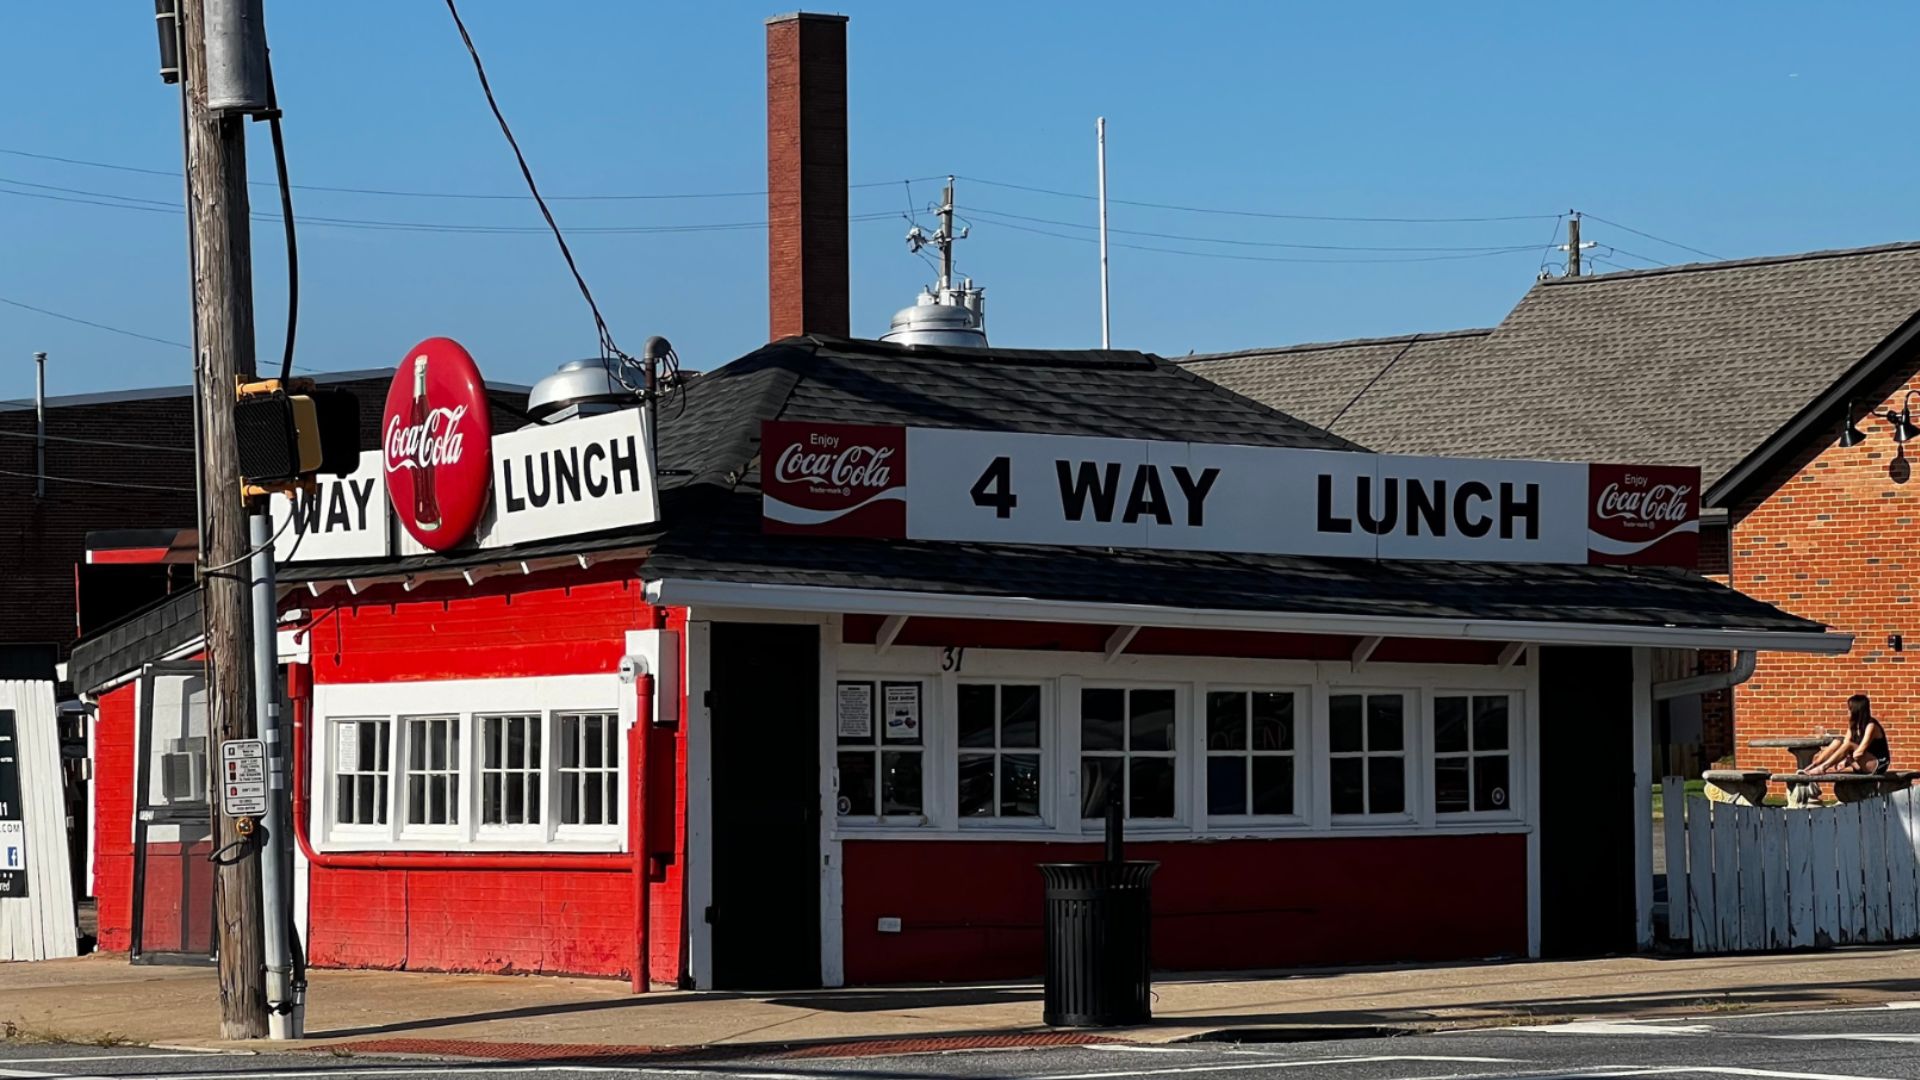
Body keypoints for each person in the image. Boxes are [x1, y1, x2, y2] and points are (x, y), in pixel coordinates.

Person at [1806, 694, 1891, 776]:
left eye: (1849, 708)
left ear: (1856, 710)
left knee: (1849, 745)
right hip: (1859, 763)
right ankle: (1814, 765)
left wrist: (1845, 762)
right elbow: (1845, 743)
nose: (1848, 711)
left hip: (1876, 765)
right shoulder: (1853, 725)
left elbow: (1859, 752)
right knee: (1838, 741)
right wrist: (1842, 758)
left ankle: (1822, 768)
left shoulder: (1871, 725)